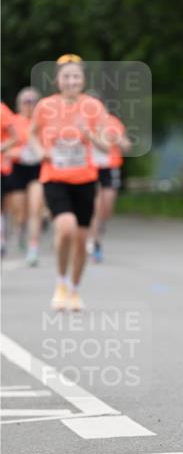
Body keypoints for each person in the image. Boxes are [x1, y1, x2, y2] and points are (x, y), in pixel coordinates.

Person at [29, 55, 111, 310]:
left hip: (85, 179)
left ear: (83, 80)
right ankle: (60, 282)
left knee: (81, 239)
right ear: (57, 80)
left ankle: (74, 290)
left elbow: (107, 145)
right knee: (66, 228)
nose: (71, 81)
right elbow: (32, 135)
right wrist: (40, 150)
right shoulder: (45, 106)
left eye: (76, 76)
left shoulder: (93, 107)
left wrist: (89, 135)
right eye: (66, 76)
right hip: (54, 177)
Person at [87, 112, 131, 263]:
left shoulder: (113, 122)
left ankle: (99, 226)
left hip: (109, 167)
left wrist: (118, 140)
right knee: (96, 206)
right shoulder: (82, 122)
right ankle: (95, 243)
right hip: (91, 168)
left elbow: (127, 146)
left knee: (107, 207)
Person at [10, 87, 44, 266]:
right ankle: (20, 229)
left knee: (35, 209)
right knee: (19, 212)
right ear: (19, 104)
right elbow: (5, 144)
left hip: (37, 168)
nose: (29, 105)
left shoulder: (42, 122)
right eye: (26, 102)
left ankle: (33, 248)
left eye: (33, 102)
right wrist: (18, 152)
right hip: (17, 167)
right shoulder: (13, 121)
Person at [0, 100, 18, 257]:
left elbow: (15, 137)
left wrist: (2, 147)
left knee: (4, 207)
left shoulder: (2, 110)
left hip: (2, 167)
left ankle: (2, 240)